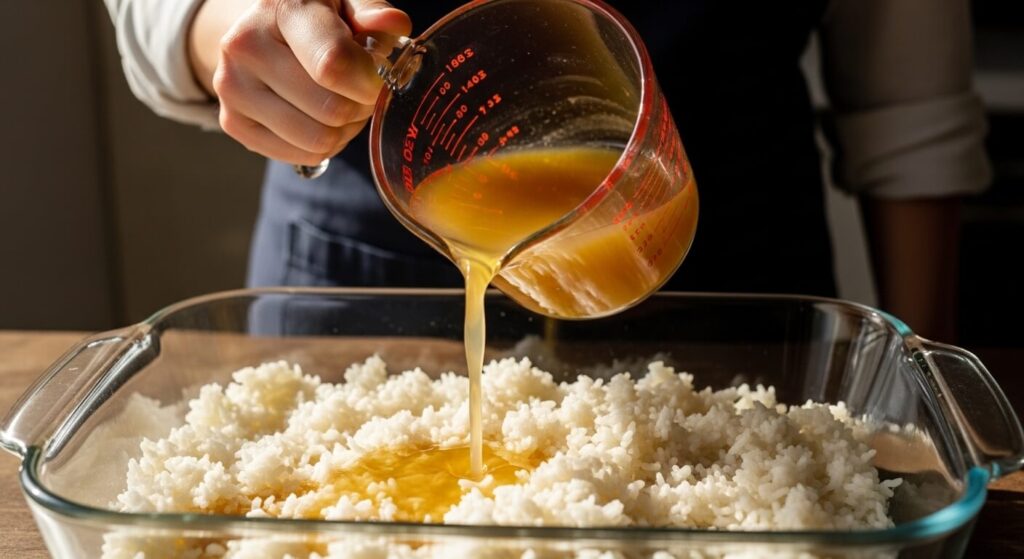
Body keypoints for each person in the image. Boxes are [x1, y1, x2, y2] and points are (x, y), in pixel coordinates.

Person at [104, 0, 990, 341]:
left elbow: (910, 106)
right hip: (363, 285)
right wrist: (228, 24)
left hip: (745, 295)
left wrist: (923, 371)